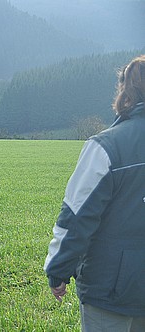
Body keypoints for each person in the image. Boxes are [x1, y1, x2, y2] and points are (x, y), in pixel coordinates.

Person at [44, 55, 145, 331]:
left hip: (110, 292)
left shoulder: (105, 147)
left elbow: (77, 216)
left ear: (124, 91)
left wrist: (58, 268)